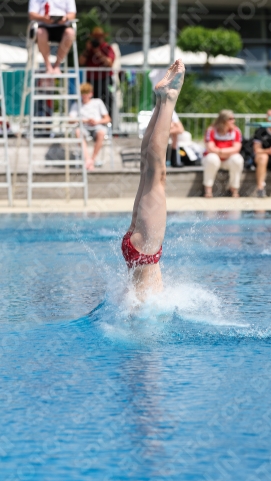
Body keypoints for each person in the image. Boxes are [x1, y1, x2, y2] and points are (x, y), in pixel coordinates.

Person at [121, 60, 185, 301]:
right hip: (136, 249)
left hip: (144, 249)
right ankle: (161, 100)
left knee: (155, 174)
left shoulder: (145, 308)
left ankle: (167, 99)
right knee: (147, 169)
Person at [202, 110, 244, 198]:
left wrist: (220, 152)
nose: (233, 121)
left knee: (238, 159)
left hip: (227, 159)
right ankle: (208, 189)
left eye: (233, 118)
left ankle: (234, 188)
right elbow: (210, 148)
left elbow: (236, 148)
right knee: (212, 159)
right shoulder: (211, 130)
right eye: (231, 119)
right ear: (223, 120)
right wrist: (225, 152)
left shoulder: (236, 131)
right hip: (215, 158)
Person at [69, 83, 111, 170]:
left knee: (101, 133)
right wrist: (86, 121)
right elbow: (70, 120)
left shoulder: (98, 102)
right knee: (78, 132)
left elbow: (107, 119)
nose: (84, 95)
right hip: (84, 127)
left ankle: (91, 160)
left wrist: (97, 122)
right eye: (82, 93)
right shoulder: (76, 105)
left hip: (97, 127)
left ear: (90, 93)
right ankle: (88, 159)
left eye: (86, 93)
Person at [28, 0, 76, 74]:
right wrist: (43, 18)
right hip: (42, 26)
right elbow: (32, 15)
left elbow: (72, 14)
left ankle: (57, 66)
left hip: (62, 27)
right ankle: (48, 66)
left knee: (70, 33)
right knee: (40, 32)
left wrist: (65, 18)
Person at [79, 27, 115, 115]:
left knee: (107, 100)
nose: (97, 39)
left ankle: (108, 120)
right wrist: (87, 50)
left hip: (104, 79)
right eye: (95, 37)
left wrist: (97, 52)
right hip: (91, 80)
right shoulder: (89, 49)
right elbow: (81, 62)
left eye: (99, 37)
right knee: (89, 100)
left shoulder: (107, 48)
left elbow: (109, 63)